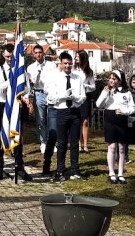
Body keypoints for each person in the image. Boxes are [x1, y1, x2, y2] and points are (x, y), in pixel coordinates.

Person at [41, 50, 85, 180]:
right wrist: (63, 96)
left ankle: (75, 171)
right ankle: (60, 171)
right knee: (61, 143)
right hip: (61, 111)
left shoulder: (77, 78)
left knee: (75, 143)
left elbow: (83, 97)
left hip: (75, 111)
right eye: (65, 64)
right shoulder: (56, 78)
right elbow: (51, 98)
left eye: (70, 64)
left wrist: (74, 96)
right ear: (61, 63)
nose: (67, 66)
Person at [95, 70, 133, 183]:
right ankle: (111, 173)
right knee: (111, 147)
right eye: (111, 78)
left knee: (121, 148)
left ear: (120, 81)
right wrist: (106, 93)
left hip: (121, 120)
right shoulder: (106, 90)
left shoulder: (127, 93)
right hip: (110, 118)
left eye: (115, 78)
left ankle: (120, 174)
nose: (112, 80)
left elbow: (133, 108)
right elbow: (98, 104)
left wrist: (124, 111)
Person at [25, 43, 50, 153]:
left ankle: (51, 141)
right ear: (33, 55)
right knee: (40, 120)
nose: (38, 55)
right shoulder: (30, 68)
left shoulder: (51, 65)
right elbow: (30, 83)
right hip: (38, 93)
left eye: (40, 52)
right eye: (36, 53)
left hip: (50, 94)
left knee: (50, 119)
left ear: (43, 53)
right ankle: (43, 142)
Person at [75, 49, 95, 155]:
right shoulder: (73, 71)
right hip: (76, 98)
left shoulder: (89, 72)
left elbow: (93, 87)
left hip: (85, 98)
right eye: (75, 56)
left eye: (78, 56)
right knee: (77, 121)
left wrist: (85, 86)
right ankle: (78, 144)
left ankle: (86, 145)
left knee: (85, 121)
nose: (76, 58)